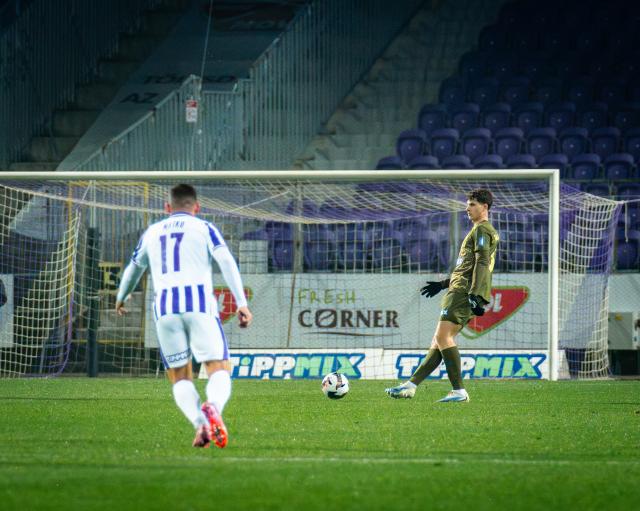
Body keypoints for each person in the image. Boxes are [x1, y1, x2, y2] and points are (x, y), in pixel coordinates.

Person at [115, 184, 252, 448]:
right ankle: (213, 406)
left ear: (168, 207)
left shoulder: (152, 232)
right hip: (199, 305)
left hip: (165, 309)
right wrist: (241, 303)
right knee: (218, 369)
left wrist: (122, 296)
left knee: (180, 377)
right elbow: (226, 261)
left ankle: (200, 425)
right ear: (196, 207)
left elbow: (134, 268)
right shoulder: (204, 228)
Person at [385, 189, 498, 402]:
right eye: (467, 204)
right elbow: (468, 266)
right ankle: (411, 385)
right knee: (439, 341)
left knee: (443, 337)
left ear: (485, 207)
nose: (467, 208)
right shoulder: (479, 230)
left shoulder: (483, 230)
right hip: (461, 288)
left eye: (472, 204)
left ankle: (459, 391)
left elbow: (482, 262)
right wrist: (444, 284)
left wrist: (474, 293)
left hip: (464, 291)